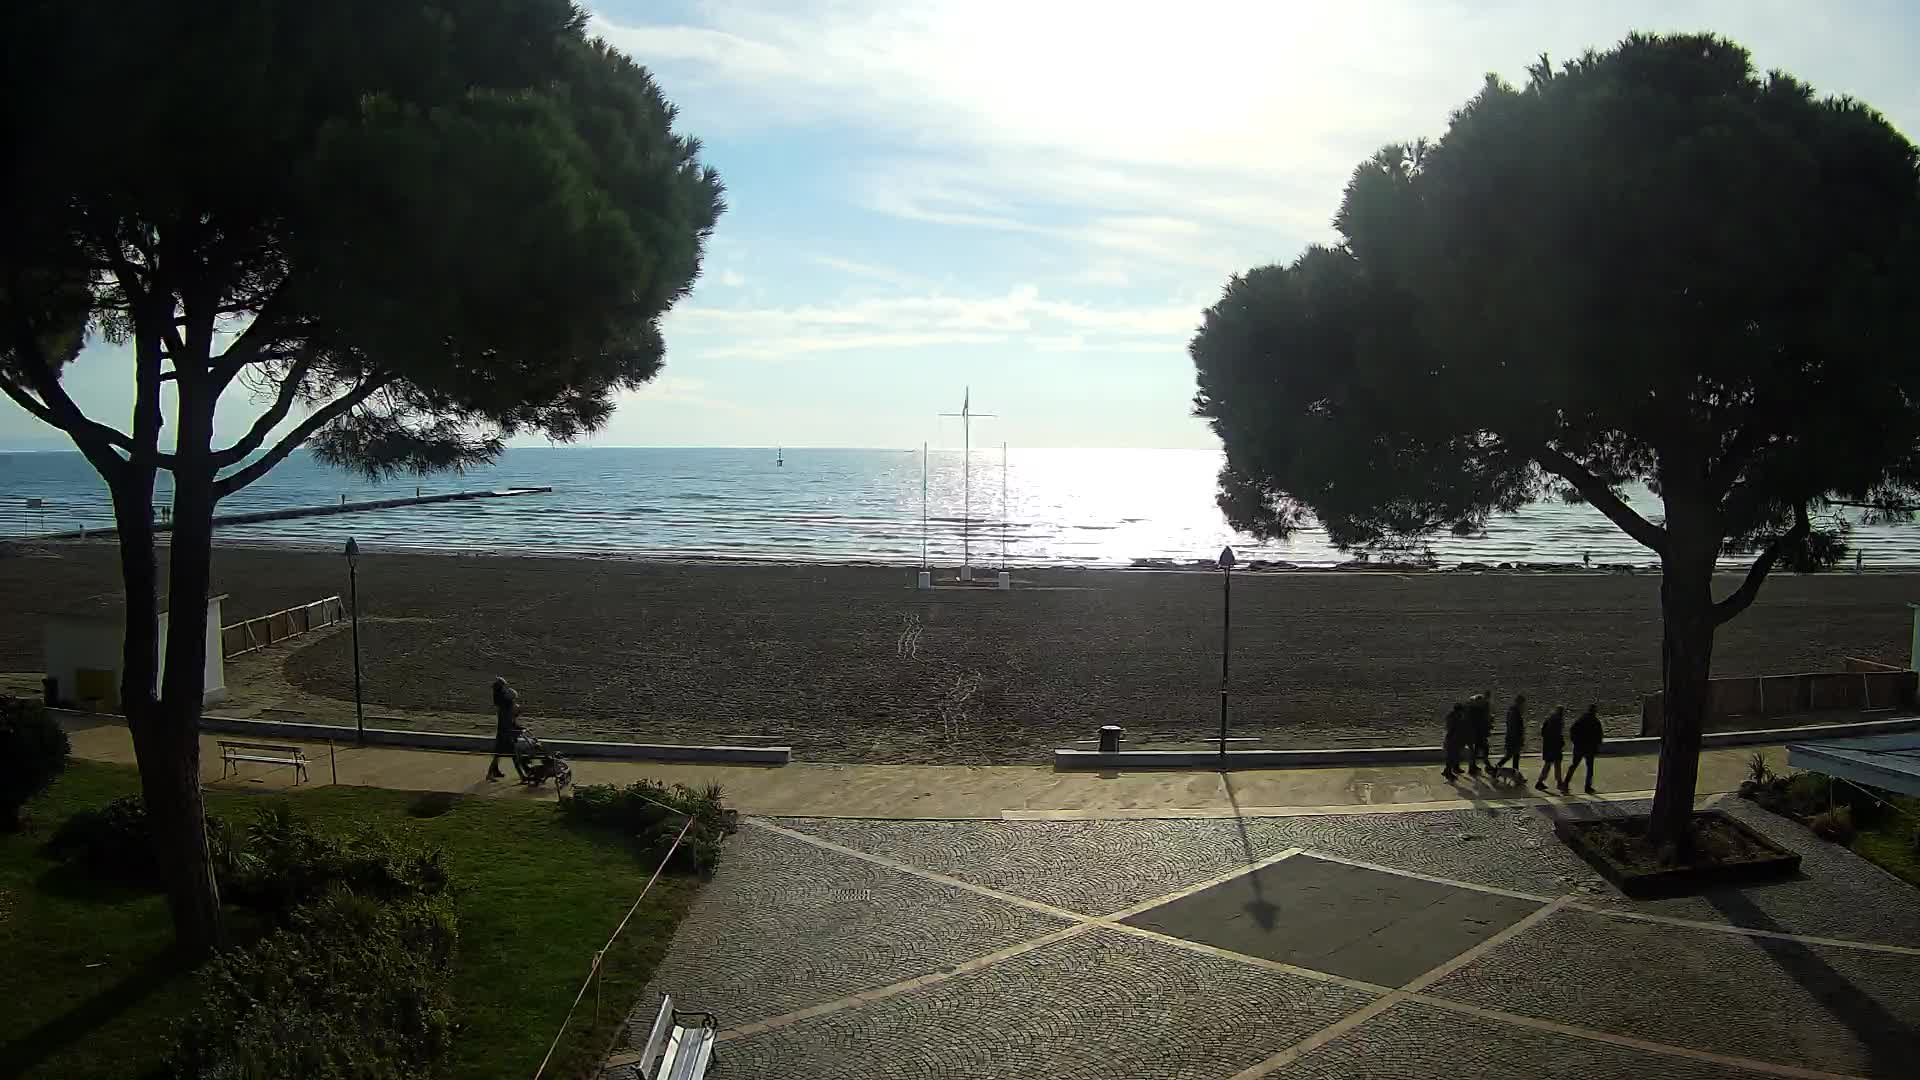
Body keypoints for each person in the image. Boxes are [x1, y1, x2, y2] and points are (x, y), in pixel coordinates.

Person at [487, 676, 525, 781]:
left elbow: (511, 721)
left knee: (498, 755)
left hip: (504, 733)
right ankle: (522, 776)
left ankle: (494, 772)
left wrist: (517, 727)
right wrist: (517, 728)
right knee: (514, 756)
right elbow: (509, 722)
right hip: (506, 734)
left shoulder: (502, 704)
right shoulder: (506, 708)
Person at [1565, 703, 1602, 794]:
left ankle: (1565, 783)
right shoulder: (1595, 721)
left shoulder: (1581, 719)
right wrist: (1596, 746)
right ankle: (1587, 787)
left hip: (1579, 746)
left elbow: (1572, 730)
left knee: (1574, 765)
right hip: (1590, 748)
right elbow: (1599, 736)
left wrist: (1575, 741)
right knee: (1589, 768)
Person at [1493, 694, 1527, 778]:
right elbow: (1515, 727)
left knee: (1513, 756)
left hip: (1512, 738)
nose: (1524, 706)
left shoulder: (1512, 711)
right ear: (1520, 703)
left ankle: (1513, 773)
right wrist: (1519, 739)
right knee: (1511, 756)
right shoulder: (1515, 712)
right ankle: (1499, 770)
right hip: (1514, 739)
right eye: (1523, 704)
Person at [1535, 706, 1566, 791]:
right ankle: (1559, 783)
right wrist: (1561, 742)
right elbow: (1558, 735)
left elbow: (1543, 733)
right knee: (1556, 764)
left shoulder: (1548, 719)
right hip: (1555, 746)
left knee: (1548, 764)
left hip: (1548, 746)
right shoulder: (1558, 721)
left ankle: (1540, 782)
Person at [1467, 692, 1495, 776]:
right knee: (1484, 749)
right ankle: (1487, 766)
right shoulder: (1478, 711)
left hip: (1477, 734)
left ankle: (1473, 767)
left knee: (1477, 751)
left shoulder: (1474, 710)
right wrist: (1489, 722)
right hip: (1479, 734)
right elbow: (1482, 723)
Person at [1441, 703, 1467, 781]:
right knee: (1451, 756)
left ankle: (1454, 768)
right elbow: (1451, 729)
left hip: (1456, 739)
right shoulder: (1453, 718)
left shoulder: (1456, 716)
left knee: (1456, 755)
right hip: (1452, 740)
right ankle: (1448, 772)